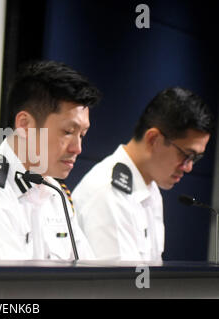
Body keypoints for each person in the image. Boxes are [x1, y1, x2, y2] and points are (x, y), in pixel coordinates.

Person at [0, 60, 101, 260]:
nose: (78, 148)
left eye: (82, 134)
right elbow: (13, 289)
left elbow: (90, 276)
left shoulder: (56, 193)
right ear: (25, 125)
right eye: (68, 132)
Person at [72, 87, 214, 261]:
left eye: (196, 158)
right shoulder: (109, 193)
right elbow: (124, 284)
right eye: (186, 155)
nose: (189, 167)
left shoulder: (149, 186)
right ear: (153, 139)